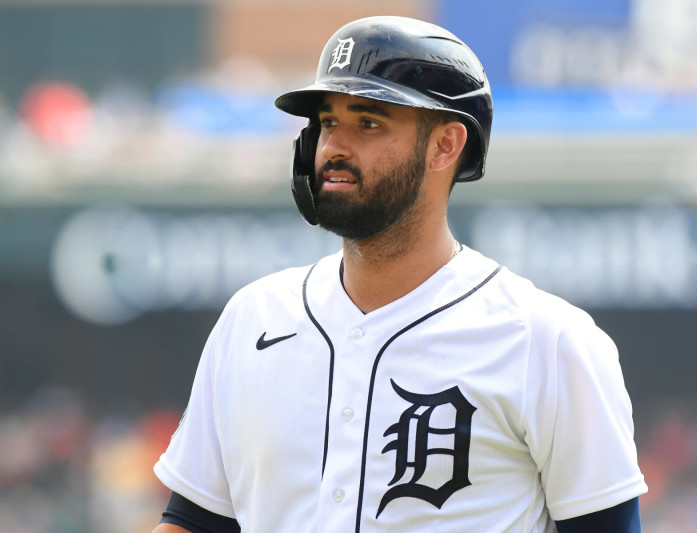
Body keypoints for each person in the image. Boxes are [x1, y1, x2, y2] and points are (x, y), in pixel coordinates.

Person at [151, 16, 647, 533]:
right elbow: (194, 521)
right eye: (326, 122)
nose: (333, 147)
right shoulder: (251, 319)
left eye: (368, 123)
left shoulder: (547, 341)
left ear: (445, 146)